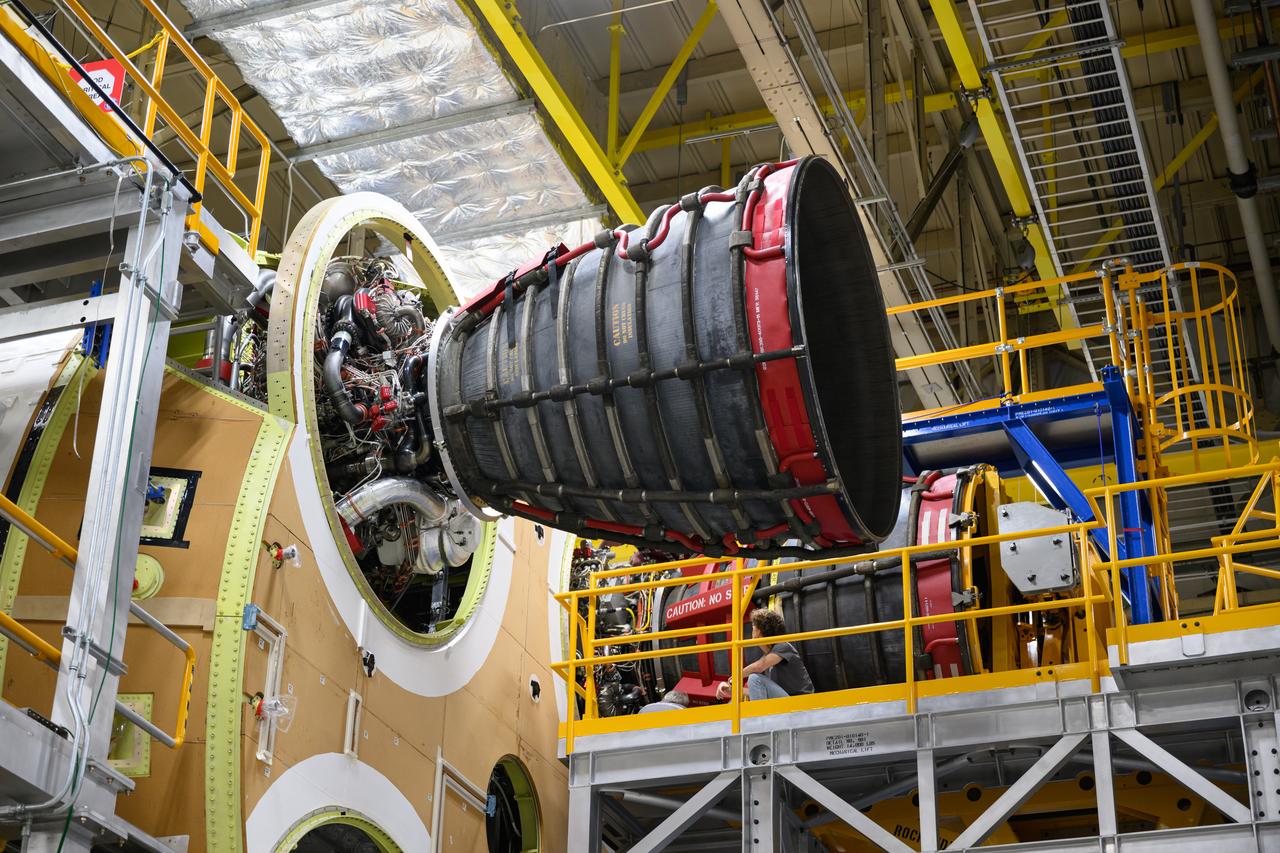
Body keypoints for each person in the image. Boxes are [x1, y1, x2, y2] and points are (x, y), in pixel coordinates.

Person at [716, 608, 814, 702]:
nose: (752, 630)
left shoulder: (783, 646)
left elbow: (759, 666)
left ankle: (759, 719)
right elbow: (756, 692)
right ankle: (760, 718)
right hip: (789, 702)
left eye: (753, 626)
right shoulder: (767, 659)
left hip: (801, 702)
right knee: (755, 679)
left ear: (759, 631)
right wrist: (729, 689)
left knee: (754, 678)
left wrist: (736, 676)